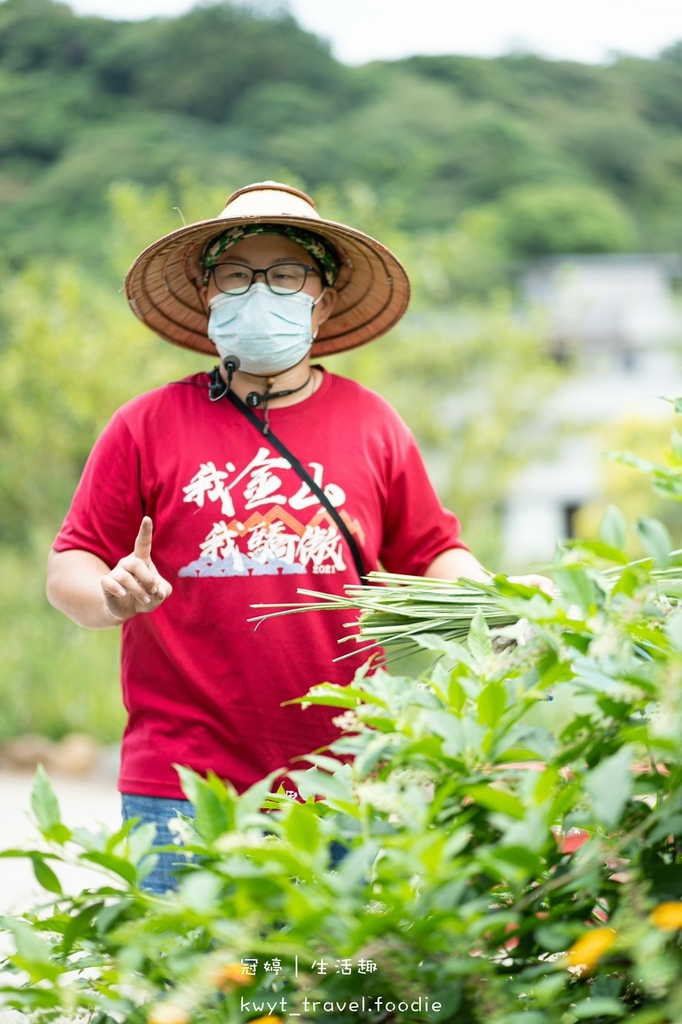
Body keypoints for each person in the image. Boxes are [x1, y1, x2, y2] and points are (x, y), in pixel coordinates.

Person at [46, 180, 551, 892]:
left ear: (325, 297)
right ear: (208, 294)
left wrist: (495, 602)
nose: (261, 292)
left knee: (342, 991)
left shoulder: (373, 423)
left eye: (285, 275)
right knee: (183, 997)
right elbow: (71, 564)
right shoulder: (145, 425)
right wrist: (109, 594)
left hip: (352, 782)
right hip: (183, 790)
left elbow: (432, 552)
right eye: (237, 275)